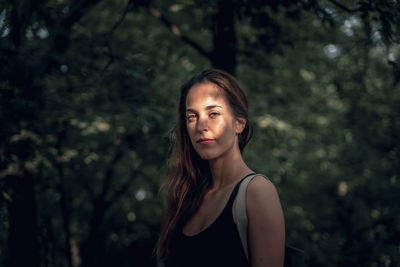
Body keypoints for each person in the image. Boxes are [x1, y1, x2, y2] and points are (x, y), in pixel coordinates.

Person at [156, 69, 285, 267]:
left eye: (213, 113)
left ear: (239, 123)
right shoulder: (185, 195)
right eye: (192, 117)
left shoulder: (257, 192)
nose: (201, 126)